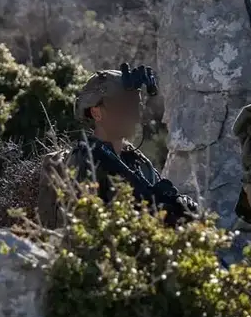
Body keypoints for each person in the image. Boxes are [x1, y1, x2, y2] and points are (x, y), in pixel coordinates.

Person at [36, 65, 198, 228]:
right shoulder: (85, 162)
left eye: (135, 106)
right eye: (123, 107)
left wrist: (177, 205)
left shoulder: (135, 160)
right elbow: (84, 228)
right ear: (96, 113)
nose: (133, 115)